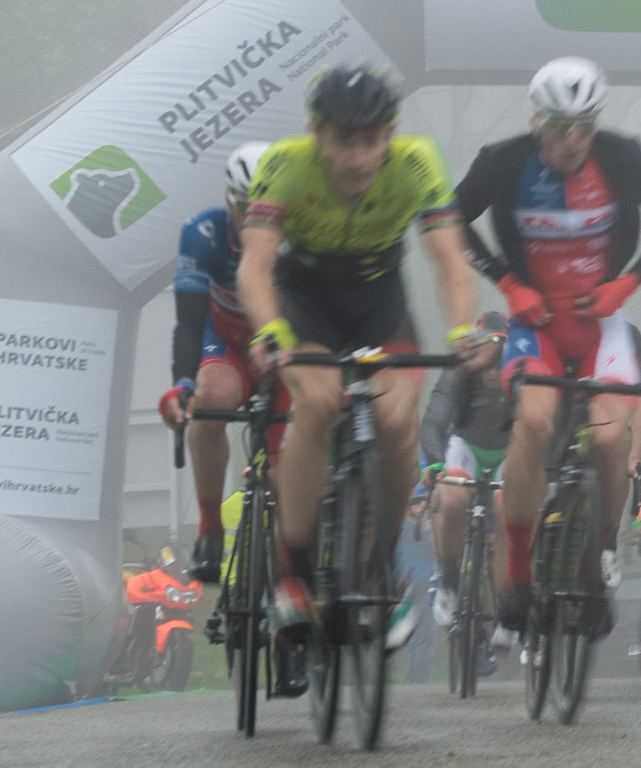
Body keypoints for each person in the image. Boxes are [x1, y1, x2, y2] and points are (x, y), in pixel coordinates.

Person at [238, 63, 476, 647]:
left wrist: (463, 331)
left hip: (378, 299)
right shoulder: (285, 164)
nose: (359, 159)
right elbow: (255, 268)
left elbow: (450, 261)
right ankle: (292, 576)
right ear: (317, 132)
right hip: (306, 300)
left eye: (372, 141)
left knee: (398, 423)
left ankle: (378, 568)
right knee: (317, 407)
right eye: (345, 141)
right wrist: (270, 331)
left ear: (390, 134)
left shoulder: (417, 159)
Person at [455, 57, 641, 640]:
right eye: (560, 126)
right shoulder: (503, 163)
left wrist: (625, 283)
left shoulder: (622, 157)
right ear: (537, 120)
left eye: (584, 125)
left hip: (601, 324)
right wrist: (507, 283)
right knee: (533, 424)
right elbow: (446, 221)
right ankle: (515, 572)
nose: (573, 140)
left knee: (611, 438)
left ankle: (595, 561)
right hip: (534, 323)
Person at [156, 140, 270, 582]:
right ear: (228, 199)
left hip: (275, 343)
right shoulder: (201, 233)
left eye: (263, 207)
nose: (253, 218)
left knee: (282, 467)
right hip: (222, 341)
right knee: (210, 400)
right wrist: (183, 385)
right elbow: (188, 321)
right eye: (243, 206)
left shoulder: (298, 232)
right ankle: (209, 530)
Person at [416, 307, 514, 645]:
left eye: (500, 355)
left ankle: (503, 608)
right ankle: (449, 579)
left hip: (506, 451)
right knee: (452, 498)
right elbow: (434, 420)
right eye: (486, 355)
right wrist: (434, 463)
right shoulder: (460, 369)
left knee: (506, 513)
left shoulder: (521, 371)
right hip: (466, 446)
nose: (493, 368)